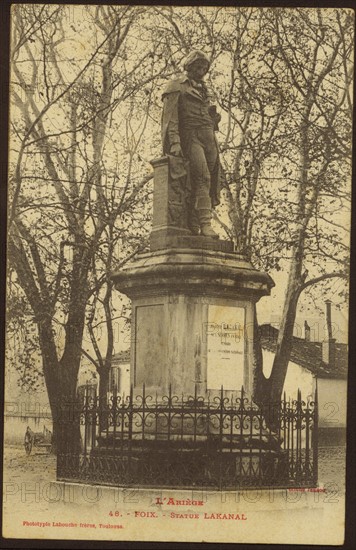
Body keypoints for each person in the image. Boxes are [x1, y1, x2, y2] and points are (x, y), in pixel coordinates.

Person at [161, 50, 221, 238]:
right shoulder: (175, 86)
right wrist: (175, 143)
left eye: (204, 68)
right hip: (191, 136)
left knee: (209, 182)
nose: (201, 71)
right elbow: (170, 118)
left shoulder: (206, 89)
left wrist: (214, 119)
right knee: (202, 177)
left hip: (209, 138)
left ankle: (195, 225)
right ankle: (205, 224)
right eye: (198, 67)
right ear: (189, 66)